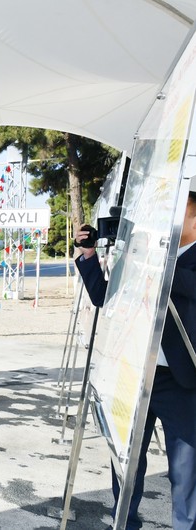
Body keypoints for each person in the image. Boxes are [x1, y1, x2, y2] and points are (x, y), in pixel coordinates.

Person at [74, 184, 196, 530]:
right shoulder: (147, 255)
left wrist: (155, 264)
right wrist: (89, 255)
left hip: (180, 380)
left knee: (185, 471)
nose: (165, 221)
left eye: (175, 213)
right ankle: (123, 522)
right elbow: (104, 296)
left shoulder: (162, 259)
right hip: (133, 373)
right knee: (125, 461)